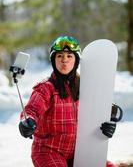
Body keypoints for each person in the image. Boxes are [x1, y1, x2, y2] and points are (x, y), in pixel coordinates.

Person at [19, 35, 120, 167]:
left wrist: (108, 121)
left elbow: (100, 107)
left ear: (76, 60)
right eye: (59, 56)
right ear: (53, 60)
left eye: (69, 56)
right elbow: (32, 109)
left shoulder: (86, 87)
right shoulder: (45, 88)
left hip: (79, 152)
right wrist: (28, 120)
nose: (64, 60)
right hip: (48, 151)